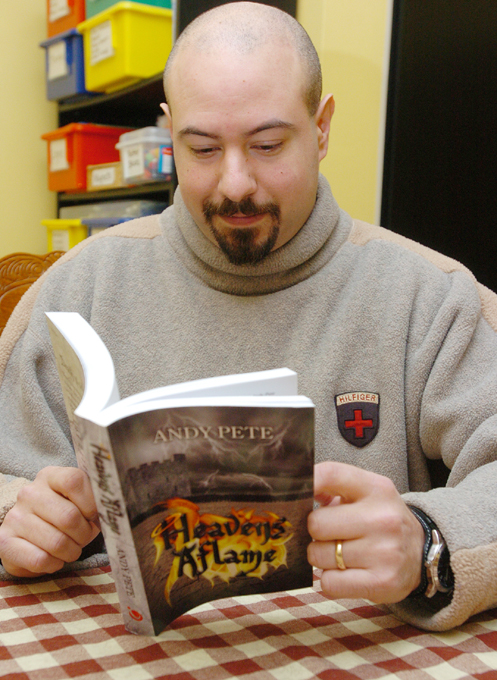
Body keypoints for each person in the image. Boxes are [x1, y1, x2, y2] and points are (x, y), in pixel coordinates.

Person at [0, 1, 496, 632]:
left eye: (267, 144)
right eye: (202, 148)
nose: (235, 183)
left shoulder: (430, 295)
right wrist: (19, 514)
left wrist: (428, 541)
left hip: (353, 672)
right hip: (137, 671)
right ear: (169, 129)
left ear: (321, 128)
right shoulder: (83, 283)